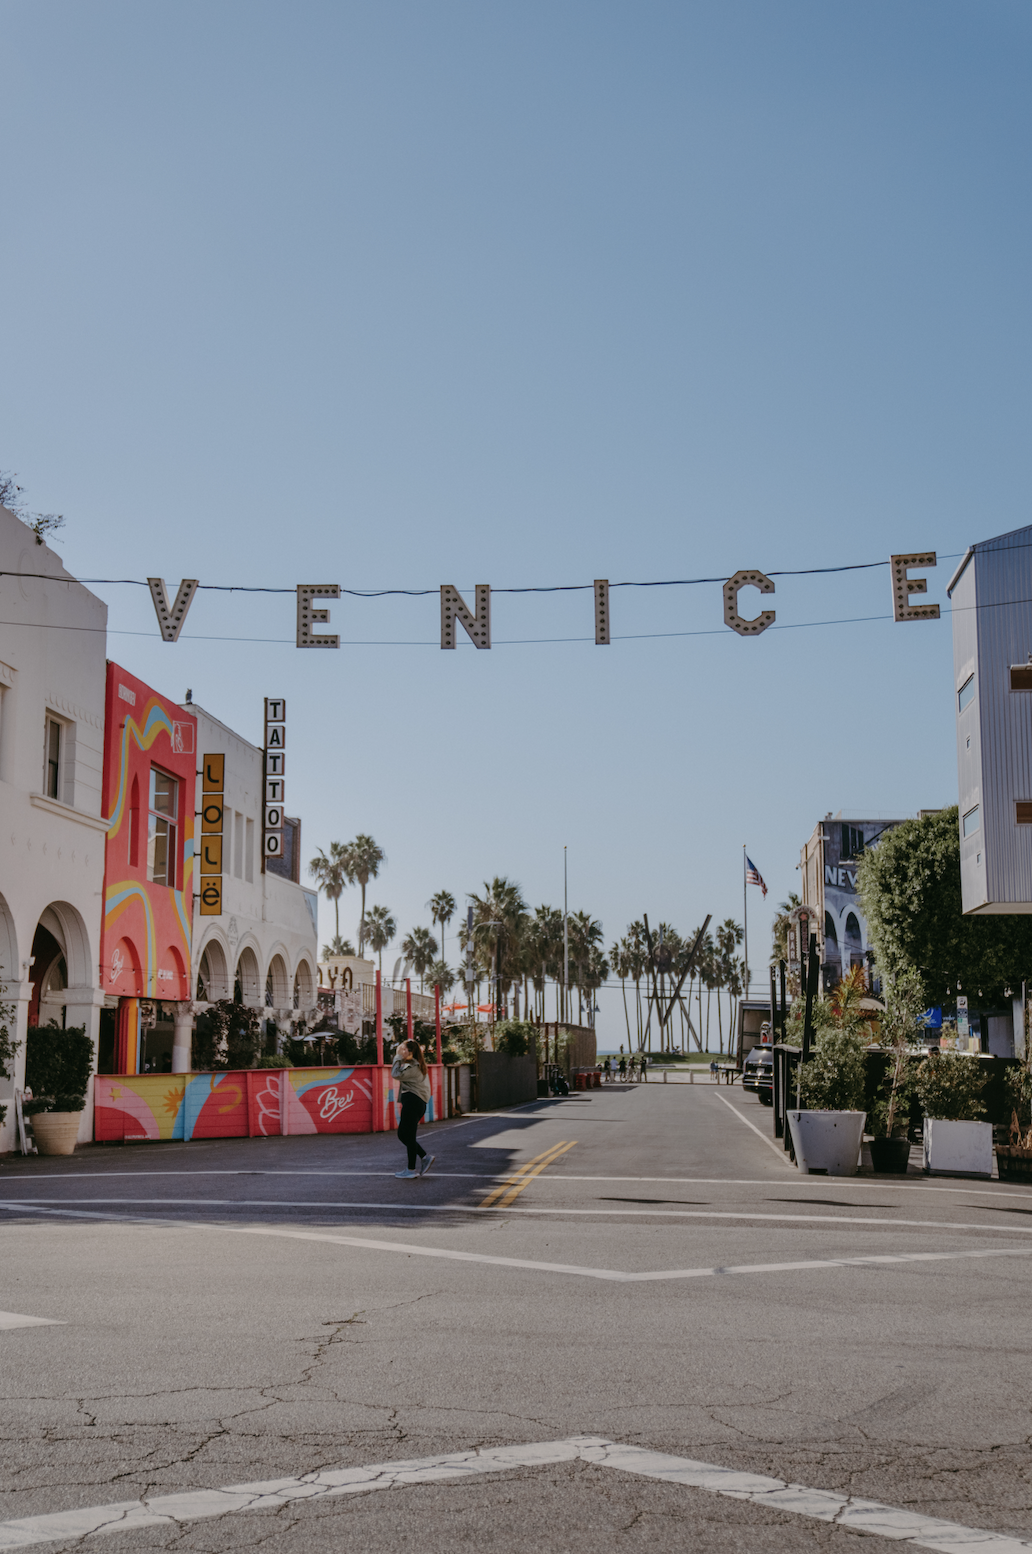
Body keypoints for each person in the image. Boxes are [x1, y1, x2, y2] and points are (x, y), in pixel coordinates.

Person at [392, 1039, 434, 1179]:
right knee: (403, 1135)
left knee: (408, 1135)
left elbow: (395, 1074)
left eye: (403, 1049)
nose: (400, 1051)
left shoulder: (414, 1067)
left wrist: (397, 1057)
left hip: (413, 1102)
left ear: (410, 1052)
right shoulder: (414, 1065)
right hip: (414, 1103)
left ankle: (411, 1169)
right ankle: (424, 1157)